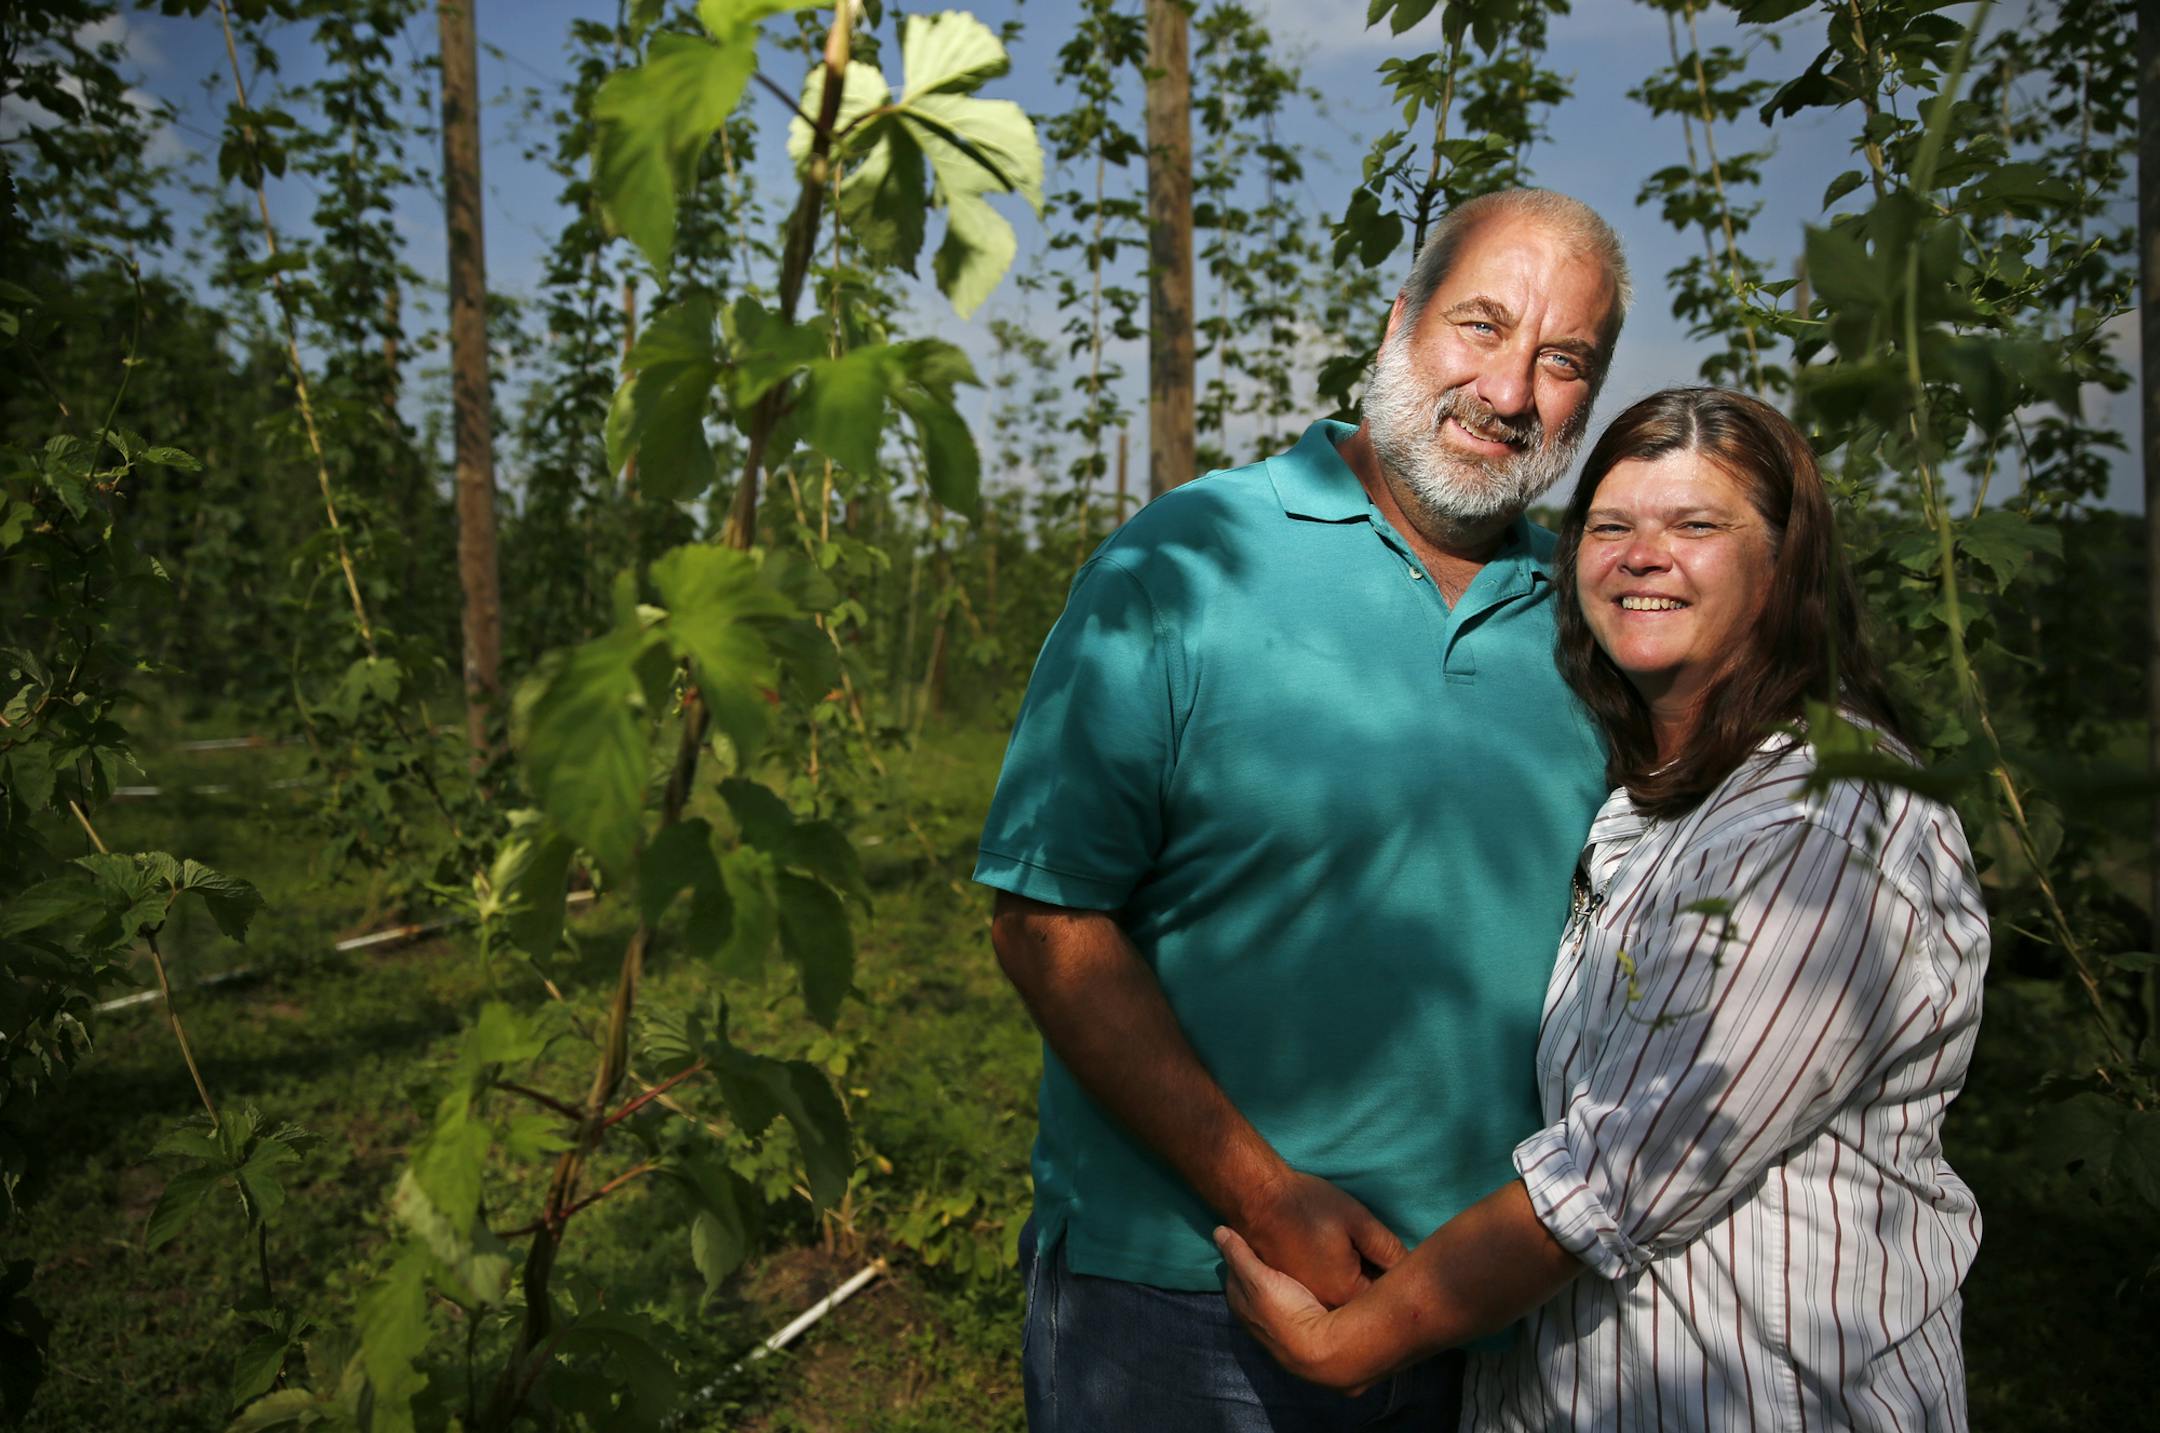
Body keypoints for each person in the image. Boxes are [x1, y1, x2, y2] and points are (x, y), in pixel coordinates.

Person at [973, 188, 1631, 1431]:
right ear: (1398, 322)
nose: (1508, 390)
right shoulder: (1185, 562)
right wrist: (1266, 1195)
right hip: (1191, 1294)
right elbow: (1044, 915)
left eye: (1562, 359)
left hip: (1492, 1313)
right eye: (1481, 327)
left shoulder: (1592, 619)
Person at [1216, 387, 1988, 1431]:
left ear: (1783, 564)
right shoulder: (1658, 798)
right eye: (1611, 525)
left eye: (1696, 525)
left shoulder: (1825, 818)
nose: (1642, 555)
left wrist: (1354, 1337)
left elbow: (1621, 1171)